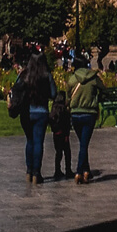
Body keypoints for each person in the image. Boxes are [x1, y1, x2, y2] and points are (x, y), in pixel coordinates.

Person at [16, 51, 56, 184]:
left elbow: (16, 89)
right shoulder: (46, 76)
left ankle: (29, 170)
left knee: (29, 141)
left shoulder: (24, 75)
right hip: (41, 111)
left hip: (27, 112)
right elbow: (53, 93)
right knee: (39, 142)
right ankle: (36, 173)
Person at [67, 57, 107, 184]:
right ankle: (79, 171)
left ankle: (86, 170)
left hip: (75, 114)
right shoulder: (94, 78)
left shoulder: (72, 79)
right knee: (84, 144)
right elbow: (104, 90)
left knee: (83, 143)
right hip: (89, 113)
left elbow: (68, 95)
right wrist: (96, 98)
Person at [49, 91, 73, 180]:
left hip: (56, 134)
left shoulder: (53, 109)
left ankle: (57, 170)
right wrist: (67, 134)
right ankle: (68, 170)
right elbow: (67, 124)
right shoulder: (64, 110)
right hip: (63, 134)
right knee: (67, 152)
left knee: (58, 153)